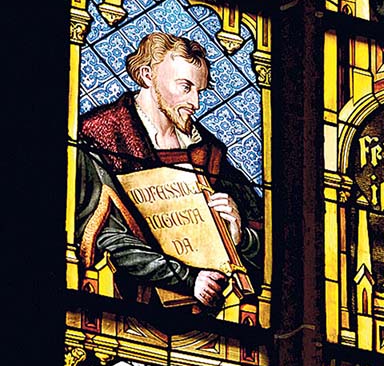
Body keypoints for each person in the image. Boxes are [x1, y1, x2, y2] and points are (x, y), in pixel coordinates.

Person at [77, 32, 263, 308]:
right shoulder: (99, 137)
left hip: (214, 313)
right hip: (120, 307)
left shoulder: (208, 153)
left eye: (199, 91)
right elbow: (103, 236)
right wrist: (188, 279)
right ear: (147, 76)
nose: (195, 103)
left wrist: (241, 237)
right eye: (185, 87)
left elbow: (268, 242)